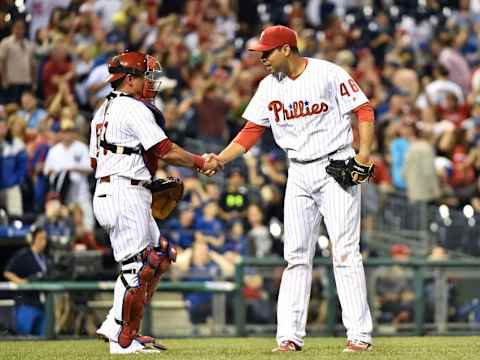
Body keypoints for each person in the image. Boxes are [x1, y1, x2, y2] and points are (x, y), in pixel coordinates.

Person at [203, 25, 374, 352]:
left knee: (344, 250)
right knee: (295, 255)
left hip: (334, 165)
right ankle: (289, 336)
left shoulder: (327, 73)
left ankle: (359, 334)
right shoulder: (268, 87)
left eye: (266, 52)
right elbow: (251, 132)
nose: (262, 58)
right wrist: (220, 160)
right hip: (297, 171)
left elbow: (363, 110)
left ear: (286, 49)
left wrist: (364, 155)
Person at [89, 51, 222, 354]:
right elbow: (165, 149)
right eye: (146, 76)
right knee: (136, 266)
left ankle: (115, 323)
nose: (151, 82)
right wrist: (201, 162)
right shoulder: (132, 109)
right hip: (125, 192)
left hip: (120, 188)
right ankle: (123, 340)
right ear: (130, 79)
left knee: (159, 257)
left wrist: (137, 176)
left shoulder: (103, 110)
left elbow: (96, 163)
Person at [3, 227, 49, 335]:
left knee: (45, 339)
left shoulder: (45, 258)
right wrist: (20, 282)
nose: (43, 242)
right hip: (26, 303)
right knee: (24, 338)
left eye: (45, 239)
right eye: (40, 238)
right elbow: (7, 272)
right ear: (33, 239)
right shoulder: (23, 255)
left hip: (42, 304)